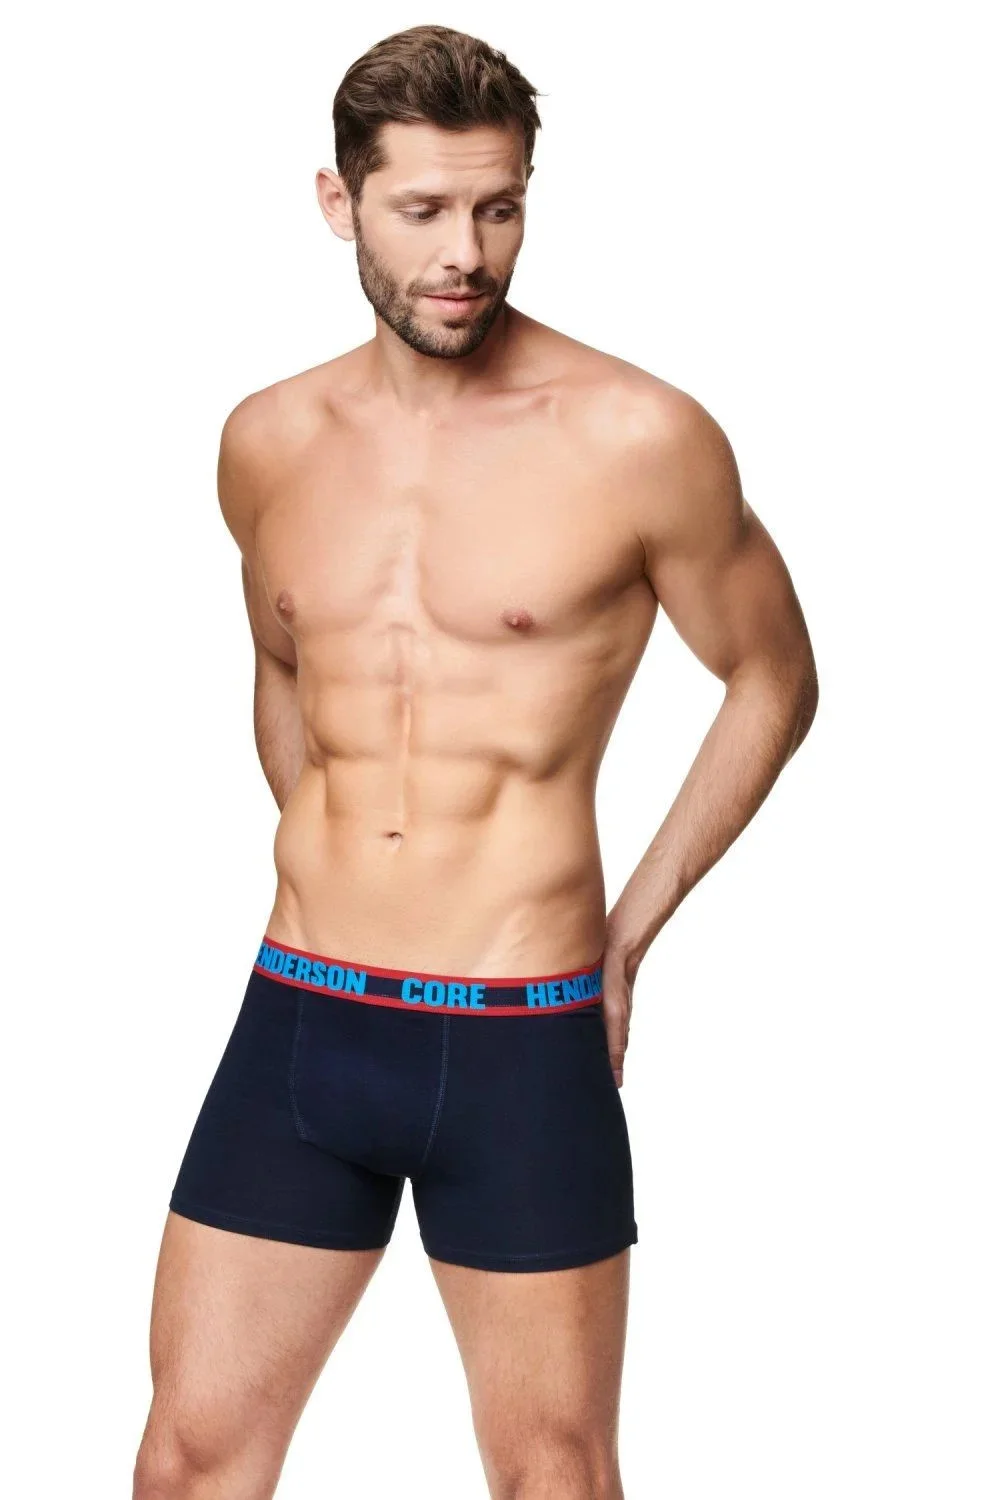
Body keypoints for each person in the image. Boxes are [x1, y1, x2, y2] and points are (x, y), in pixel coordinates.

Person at [133, 22, 818, 1500]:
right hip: (302, 1015)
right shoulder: (268, 440)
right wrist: (342, 850)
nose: (466, 254)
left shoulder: (639, 436)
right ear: (339, 203)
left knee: (552, 1473)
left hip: (518, 1031)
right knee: (189, 1460)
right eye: (425, 210)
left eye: (499, 208)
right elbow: (286, 666)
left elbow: (772, 675)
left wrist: (627, 932)